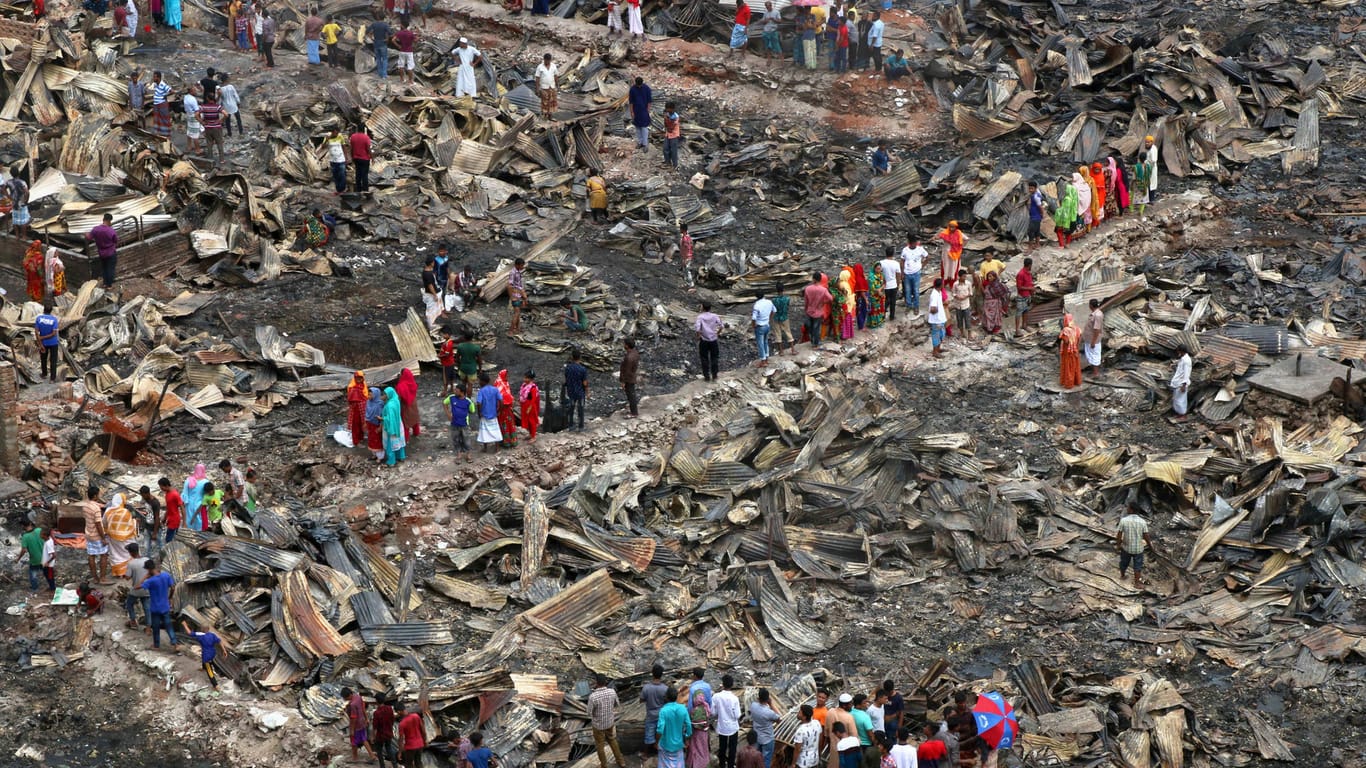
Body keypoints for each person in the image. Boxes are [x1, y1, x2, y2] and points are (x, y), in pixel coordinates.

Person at [587, 673, 627, 768]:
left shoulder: (593, 697)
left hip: (598, 726)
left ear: (596, 682)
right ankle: (621, 762)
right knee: (612, 740)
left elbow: (588, 712)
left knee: (600, 746)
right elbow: (617, 704)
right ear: (605, 682)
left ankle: (604, 765)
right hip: (609, 723)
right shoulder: (612, 692)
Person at [140, 560, 177, 649]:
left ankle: (156, 645)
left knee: (156, 627)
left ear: (148, 569)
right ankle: (175, 644)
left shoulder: (150, 581)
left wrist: (145, 577)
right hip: (165, 606)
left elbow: (138, 586)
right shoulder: (166, 575)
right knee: (169, 626)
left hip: (155, 608)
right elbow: (173, 587)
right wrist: (170, 597)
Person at [103, 493, 138, 578]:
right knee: (127, 553)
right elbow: (130, 524)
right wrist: (135, 521)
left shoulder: (108, 511)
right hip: (126, 537)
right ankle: (129, 572)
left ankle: (119, 573)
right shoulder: (125, 512)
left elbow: (104, 523)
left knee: (116, 555)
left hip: (113, 537)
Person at [657, 687, 693, 768]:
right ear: (677, 697)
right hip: (678, 744)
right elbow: (688, 725)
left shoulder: (663, 710)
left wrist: (657, 743)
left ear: (666, 697)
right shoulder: (683, 709)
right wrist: (687, 739)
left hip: (665, 744)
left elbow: (660, 730)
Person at [82, 485, 110, 584]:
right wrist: (103, 538)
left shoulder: (85, 505)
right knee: (104, 555)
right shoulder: (96, 508)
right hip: (97, 535)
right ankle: (102, 578)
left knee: (91, 556)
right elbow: (98, 524)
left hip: (88, 534)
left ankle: (95, 578)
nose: (99, 496)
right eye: (98, 494)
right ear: (95, 496)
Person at [1117, 506, 1152, 587]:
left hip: (1126, 547)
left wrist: (1118, 545)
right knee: (1138, 566)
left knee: (1124, 562)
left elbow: (1119, 534)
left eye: (1128, 508)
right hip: (1138, 548)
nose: (1127, 509)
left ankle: (1122, 576)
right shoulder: (1142, 522)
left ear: (1132, 510)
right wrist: (1150, 546)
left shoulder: (1124, 520)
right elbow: (1146, 535)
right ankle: (1137, 583)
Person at [640, 664, 669, 758]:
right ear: (661, 675)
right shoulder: (665, 688)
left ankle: (645, 754)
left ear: (652, 674)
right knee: (661, 733)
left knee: (648, 734)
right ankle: (660, 752)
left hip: (650, 715)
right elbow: (667, 701)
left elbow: (641, 700)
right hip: (662, 714)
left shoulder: (646, 687)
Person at [182, 622, 222, 688]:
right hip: (213, 652)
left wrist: (185, 625)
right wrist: (224, 650)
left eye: (201, 628)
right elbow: (220, 641)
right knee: (205, 659)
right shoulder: (212, 634)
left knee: (209, 670)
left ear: (202, 629)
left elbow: (189, 633)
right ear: (208, 629)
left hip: (206, 655)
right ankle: (203, 668)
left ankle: (215, 685)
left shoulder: (200, 634)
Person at [713, 674, 741, 768]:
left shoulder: (716, 696)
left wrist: (719, 713)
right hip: (733, 727)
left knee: (722, 747)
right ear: (732, 685)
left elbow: (713, 712)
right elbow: (737, 715)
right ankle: (730, 765)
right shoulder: (734, 698)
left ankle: (722, 764)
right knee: (732, 748)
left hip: (722, 727)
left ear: (723, 684)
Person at [750, 688, 781, 768]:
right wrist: (771, 704)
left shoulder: (753, 706)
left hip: (757, 737)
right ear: (767, 699)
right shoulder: (769, 713)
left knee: (757, 759)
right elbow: (779, 718)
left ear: (758, 698)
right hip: (767, 739)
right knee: (766, 761)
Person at [86, 213, 119, 289]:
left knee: (104, 268)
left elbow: (89, 237)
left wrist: (86, 234)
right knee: (110, 269)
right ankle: (109, 285)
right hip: (111, 253)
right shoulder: (111, 231)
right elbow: (115, 240)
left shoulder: (95, 229)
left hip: (101, 253)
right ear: (109, 221)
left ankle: (104, 283)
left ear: (103, 219)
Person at [343, 688, 375, 761]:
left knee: (353, 741)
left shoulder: (352, 705)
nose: (345, 699)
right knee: (364, 739)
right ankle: (372, 755)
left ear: (349, 695)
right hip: (362, 723)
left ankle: (355, 757)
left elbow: (353, 718)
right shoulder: (358, 697)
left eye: (345, 698)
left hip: (356, 726)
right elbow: (363, 708)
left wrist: (351, 730)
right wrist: (366, 718)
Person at [803, 271, 831, 348]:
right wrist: (823, 302)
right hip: (818, 311)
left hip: (809, 310)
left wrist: (806, 309)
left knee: (811, 327)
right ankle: (816, 342)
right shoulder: (823, 290)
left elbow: (806, 301)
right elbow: (830, 298)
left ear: (813, 279)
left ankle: (812, 340)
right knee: (816, 327)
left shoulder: (807, 289)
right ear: (820, 279)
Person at [476, 371, 503, 451]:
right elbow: (501, 401)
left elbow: (479, 403)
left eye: (480, 380)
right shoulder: (495, 389)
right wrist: (499, 410)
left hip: (484, 414)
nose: (479, 382)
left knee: (484, 431)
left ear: (483, 381)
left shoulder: (481, 391)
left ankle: (485, 448)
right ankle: (497, 447)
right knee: (496, 430)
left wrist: (479, 413)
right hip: (493, 414)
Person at [695, 301, 722, 382]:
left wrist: (698, 336)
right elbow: (721, 326)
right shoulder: (715, 316)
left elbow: (697, 328)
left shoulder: (700, 317)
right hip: (713, 339)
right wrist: (717, 333)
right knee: (714, 357)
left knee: (704, 358)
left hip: (704, 340)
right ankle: (714, 375)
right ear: (710, 308)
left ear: (702, 307)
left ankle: (706, 376)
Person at [15, 521, 45, 593]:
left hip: (35, 559)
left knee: (33, 574)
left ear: (23, 526)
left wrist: (18, 558)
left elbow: (24, 550)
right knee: (44, 569)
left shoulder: (25, 537)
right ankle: (50, 584)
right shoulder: (39, 530)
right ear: (30, 524)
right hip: (45, 556)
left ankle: (35, 588)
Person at [34, 301, 60, 383]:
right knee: (53, 360)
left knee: (43, 359)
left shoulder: (39, 319)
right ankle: (52, 379)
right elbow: (54, 333)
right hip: (53, 343)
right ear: (51, 310)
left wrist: (40, 342)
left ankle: (44, 374)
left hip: (43, 343)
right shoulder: (54, 320)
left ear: (43, 310)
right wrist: (44, 337)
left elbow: (36, 332)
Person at [564, 350, 589, 431]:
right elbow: (585, 383)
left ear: (572, 357)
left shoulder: (568, 368)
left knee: (571, 408)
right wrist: (587, 392)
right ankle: (581, 427)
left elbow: (566, 379)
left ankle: (570, 425)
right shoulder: (582, 369)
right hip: (580, 392)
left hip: (571, 391)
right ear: (580, 357)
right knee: (581, 409)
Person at [686, 690, 712, 768]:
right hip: (705, 732)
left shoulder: (694, 710)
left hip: (696, 733)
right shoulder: (706, 707)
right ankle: (705, 764)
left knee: (696, 748)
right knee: (703, 748)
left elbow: (693, 723)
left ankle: (696, 764)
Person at [382, 386, 407, 465]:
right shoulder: (396, 400)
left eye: (385, 394)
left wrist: (382, 419)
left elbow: (390, 419)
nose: (383, 396)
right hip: (398, 424)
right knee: (399, 441)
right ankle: (401, 456)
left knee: (391, 444)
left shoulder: (389, 405)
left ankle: (391, 461)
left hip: (392, 426)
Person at [936, 221, 965, 288]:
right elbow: (938, 236)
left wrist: (960, 248)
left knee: (953, 268)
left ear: (956, 227)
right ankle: (944, 282)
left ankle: (952, 284)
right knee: (945, 267)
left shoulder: (959, 233)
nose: (951, 228)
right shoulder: (945, 232)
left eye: (953, 227)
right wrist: (934, 237)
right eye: (950, 226)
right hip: (946, 254)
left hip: (955, 254)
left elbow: (966, 239)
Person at [900, 235, 925, 313]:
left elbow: (928, 257)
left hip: (916, 273)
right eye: (911, 243)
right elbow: (902, 261)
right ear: (909, 243)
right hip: (907, 273)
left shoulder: (920, 249)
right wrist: (902, 272)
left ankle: (916, 306)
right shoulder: (905, 250)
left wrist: (922, 265)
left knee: (916, 291)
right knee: (907, 291)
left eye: (913, 243)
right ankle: (908, 305)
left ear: (916, 243)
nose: (912, 245)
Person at [850, 694, 875, 767]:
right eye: (864, 703)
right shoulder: (865, 716)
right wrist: (875, 744)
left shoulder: (849, 713)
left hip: (854, 744)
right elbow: (870, 734)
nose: (866, 704)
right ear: (858, 705)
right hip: (866, 745)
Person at [372, 696, 398, 768]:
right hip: (388, 732)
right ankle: (394, 764)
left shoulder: (377, 712)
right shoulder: (389, 708)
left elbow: (375, 726)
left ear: (377, 701)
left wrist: (373, 737)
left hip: (380, 735)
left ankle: (382, 766)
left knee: (379, 750)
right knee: (389, 748)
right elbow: (392, 719)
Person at [751, 291, 776, 367]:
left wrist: (753, 325)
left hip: (760, 326)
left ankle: (763, 361)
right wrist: (769, 318)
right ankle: (767, 358)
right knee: (765, 342)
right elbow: (774, 311)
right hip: (767, 325)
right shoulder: (769, 302)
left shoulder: (756, 305)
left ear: (756, 297)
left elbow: (753, 318)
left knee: (760, 344)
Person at [1058, 313, 1082, 389]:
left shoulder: (1065, 330)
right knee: (1075, 366)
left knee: (1068, 367)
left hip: (1068, 352)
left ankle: (1069, 384)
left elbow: (1066, 341)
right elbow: (1080, 338)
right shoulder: (1077, 329)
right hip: (1075, 350)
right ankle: (1077, 381)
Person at [981, 271, 1008, 335]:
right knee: (988, 316)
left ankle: (994, 329)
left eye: (991, 276)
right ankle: (988, 328)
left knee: (994, 316)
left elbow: (1004, 292)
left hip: (995, 303)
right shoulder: (988, 285)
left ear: (994, 277)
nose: (989, 278)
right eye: (988, 276)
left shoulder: (997, 285)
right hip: (987, 303)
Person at [770, 283, 795, 355]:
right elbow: (787, 307)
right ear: (783, 289)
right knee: (788, 332)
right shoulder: (787, 298)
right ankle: (793, 350)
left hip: (776, 317)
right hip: (784, 317)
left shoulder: (774, 300)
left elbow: (773, 309)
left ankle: (781, 351)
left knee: (778, 333)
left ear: (776, 290)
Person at [1054, 177, 1079, 246]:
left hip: (1065, 220)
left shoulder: (1067, 199)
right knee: (1069, 232)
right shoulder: (1075, 199)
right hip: (1073, 218)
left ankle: (1061, 244)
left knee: (1058, 231)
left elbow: (1065, 212)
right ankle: (1067, 243)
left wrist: (1058, 210)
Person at [495, 369, 518, 448]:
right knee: (506, 424)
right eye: (506, 375)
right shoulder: (499, 383)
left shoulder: (504, 383)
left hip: (506, 409)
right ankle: (508, 442)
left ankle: (509, 441)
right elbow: (499, 397)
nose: (507, 377)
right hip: (503, 408)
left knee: (507, 424)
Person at [365, 11, 391, 80]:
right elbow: (390, 32)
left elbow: (367, 31)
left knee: (378, 59)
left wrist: (371, 36)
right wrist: (387, 38)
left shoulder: (374, 24)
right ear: (383, 17)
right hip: (383, 43)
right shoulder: (385, 25)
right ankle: (384, 75)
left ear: (377, 17)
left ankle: (380, 73)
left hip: (376, 42)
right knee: (385, 59)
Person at [396, 367, 420, 439]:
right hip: (413, 403)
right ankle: (416, 432)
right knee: (415, 419)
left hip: (405, 405)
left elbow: (399, 397)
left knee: (405, 423)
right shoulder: (413, 383)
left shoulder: (401, 385)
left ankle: (406, 438)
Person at [877, 247, 900, 322]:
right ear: (893, 254)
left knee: (885, 301)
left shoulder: (881, 263)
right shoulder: (896, 263)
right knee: (893, 301)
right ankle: (892, 316)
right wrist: (898, 284)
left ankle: (882, 316)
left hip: (885, 285)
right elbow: (898, 275)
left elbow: (878, 273)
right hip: (893, 285)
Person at [629, 77, 653, 148]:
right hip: (636, 110)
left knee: (644, 127)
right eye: (638, 85)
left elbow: (649, 101)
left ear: (642, 83)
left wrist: (648, 110)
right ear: (635, 83)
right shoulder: (632, 89)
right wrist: (632, 112)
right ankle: (640, 142)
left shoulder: (647, 89)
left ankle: (645, 144)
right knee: (637, 127)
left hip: (644, 111)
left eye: (640, 85)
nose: (639, 86)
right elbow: (631, 102)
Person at [619, 338, 640, 418]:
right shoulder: (635, 353)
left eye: (624, 344)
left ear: (627, 346)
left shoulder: (629, 357)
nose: (623, 345)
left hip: (629, 379)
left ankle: (634, 413)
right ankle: (633, 410)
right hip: (632, 376)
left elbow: (626, 371)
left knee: (631, 395)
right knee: (631, 394)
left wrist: (623, 381)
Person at [150, 71, 173, 140]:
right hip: (156, 104)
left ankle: (167, 134)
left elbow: (172, 91)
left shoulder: (163, 84)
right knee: (157, 119)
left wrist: (165, 96)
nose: (153, 78)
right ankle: (159, 133)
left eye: (155, 77)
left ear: (158, 78)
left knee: (164, 119)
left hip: (162, 104)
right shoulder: (155, 84)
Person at [1134, 140, 1154, 217]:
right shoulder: (1148, 166)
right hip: (1145, 183)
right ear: (1145, 158)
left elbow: (1134, 175)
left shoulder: (1136, 166)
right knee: (1144, 198)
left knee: (1136, 196)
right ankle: (1141, 211)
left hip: (1138, 183)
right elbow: (1150, 173)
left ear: (1139, 158)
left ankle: (1133, 209)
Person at [158, 477, 182, 542]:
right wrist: (165, 518)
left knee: (169, 539)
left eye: (161, 487)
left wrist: (184, 522)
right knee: (172, 538)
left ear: (165, 485)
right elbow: (168, 508)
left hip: (175, 520)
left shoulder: (175, 494)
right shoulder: (167, 494)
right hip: (170, 519)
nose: (161, 489)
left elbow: (182, 507)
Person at [1014, 257, 1035, 333]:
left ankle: (1024, 325)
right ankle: (1017, 329)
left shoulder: (1029, 273)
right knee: (1019, 312)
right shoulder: (1020, 274)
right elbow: (1019, 287)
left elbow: (1030, 283)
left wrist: (1031, 292)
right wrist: (1030, 288)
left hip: (1027, 295)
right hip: (1021, 296)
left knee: (1026, 310)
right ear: (1030, 265)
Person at [520, 371, 541, 443]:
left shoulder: (533, 388)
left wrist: (529, 408)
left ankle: (533, 436)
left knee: (532, 421)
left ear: (531, 379)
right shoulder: (524, 386)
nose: (524, 379)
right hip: (524, 405)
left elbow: (534, 399)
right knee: (527, 421)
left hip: (530, 407)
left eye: (526, 378)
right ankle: (530, 434)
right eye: (524, 377)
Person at [350, 126, 372, 196]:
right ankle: (365, 190)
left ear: (357, 129)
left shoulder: (353, 137)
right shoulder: (366, 137)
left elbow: (351, 148)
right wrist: (372, 157)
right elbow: (368, 149)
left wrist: (352, 156)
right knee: (364, 175)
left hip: (356, 158)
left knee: (358, 174)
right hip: (365, 159)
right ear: (364, 130)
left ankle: (358, 190)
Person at [1171, 345, 1192, 419]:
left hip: (1181, 384)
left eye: (1178, 351)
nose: (1177, 352)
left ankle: (1183, 414)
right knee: (1177, 400)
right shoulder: (1183, 359)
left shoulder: (1186, 361)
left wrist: (1184, 385)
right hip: (1178, 383)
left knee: (1181, 400)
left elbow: (1187, 374)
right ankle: (1179, 414)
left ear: (1181, 351)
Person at [927, 278, 946, 357]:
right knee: (936, 335)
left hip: (940, 318)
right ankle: (935, 352)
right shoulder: (934, 294)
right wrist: (937, 309)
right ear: (941, 285)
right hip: (936, 320)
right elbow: (932, 309)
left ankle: (938, 349)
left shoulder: (939, 292)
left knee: (941, 334)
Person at [1084, 298, 1104, 376]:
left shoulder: (1097, 315)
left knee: (1095, 356)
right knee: (1091, 355)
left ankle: (1096, 374)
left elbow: (1097, 329)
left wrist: (1093, 342)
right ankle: (1094, 372)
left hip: (1093, 340)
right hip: (1090, 339)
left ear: (1090, 305)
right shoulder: (1094, 313)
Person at [421, 257, 443, 328]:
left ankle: (434, 319)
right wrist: (434, 295)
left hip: (435, 290)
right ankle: (430, 324)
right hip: (431, 294)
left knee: (435, 307)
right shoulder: (428, 274)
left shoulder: (428, 271)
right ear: (431, 263)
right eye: (433, 262)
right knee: (430, 310)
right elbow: (430, 286)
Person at [535, 53, 558, 119]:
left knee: (552, 101)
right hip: (544, 87)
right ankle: (544, 115)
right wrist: (537, 88)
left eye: (548, 60)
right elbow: (537, 78)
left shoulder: (553, 66)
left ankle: (550, 115)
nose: (547, 62)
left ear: (550, 60)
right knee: (545, 101)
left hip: (552, 86)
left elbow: (555, 76)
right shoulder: (540, 67)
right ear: (544, 59)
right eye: (546, 60)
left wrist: (557, 85)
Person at [508, 257, 527, 335]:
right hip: (515, 296)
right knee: (516, 313)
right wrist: (512, 297)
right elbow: (509, 286)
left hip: (519, 295)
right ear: (517, 265)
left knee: (518, 313)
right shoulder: (513, 273)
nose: (523, 267)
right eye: (522, 265)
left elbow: (518, 285)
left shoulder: (518, 272)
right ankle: (511, 331)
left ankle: (517, 328)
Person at [183, 85, 203, 156]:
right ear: (191, 91)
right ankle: (198, 150)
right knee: (195, 134)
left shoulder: (186, 97)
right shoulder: (193, 99)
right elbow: (197, 111)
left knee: (189, 131)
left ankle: (189, 146)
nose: (196, 91)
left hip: (189, 115)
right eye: (194, 90)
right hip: (194, 116)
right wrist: (200, 120)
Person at [1026, 181, 1047, 246]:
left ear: (1035, 188)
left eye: (1032, 188)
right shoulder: (1037, 192)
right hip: (1036, 216)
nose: (1030, 190)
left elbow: (1040, 207)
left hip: (1035, 217)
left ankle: (1030, 248)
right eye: (1029, 188)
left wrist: (1042, 214)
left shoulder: (1035, 197)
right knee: (1037, 231)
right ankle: (1037, 244)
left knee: (1031, 232)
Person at [663, 102, 682, 169]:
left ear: (672, 109)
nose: (667, 110)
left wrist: (667, 119)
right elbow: (665, 125)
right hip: (668, 134)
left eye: (669, 109)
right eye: (667, 109)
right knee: (665, 148)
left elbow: (671, 128)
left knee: (673, 150)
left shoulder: (676, 117)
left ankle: (675, 164)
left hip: (674, 134)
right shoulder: (667, 114)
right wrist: (666, 119)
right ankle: (667, 162)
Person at [1142, 134, 1159, 202]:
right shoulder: (1150, 149)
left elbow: (1153, 160)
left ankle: (1151, 200)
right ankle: (1148, 199)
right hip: (1148, 168)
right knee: (1149, 183)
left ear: (1152, 142)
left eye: (1148, 142)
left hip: (1152, 169)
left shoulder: (1153, 149)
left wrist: (1146, 162)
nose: (1146, 143)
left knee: (1152, 184)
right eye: (1146, 142)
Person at [678, 223, 695, 288]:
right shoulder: (686, 237)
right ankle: (687, 283)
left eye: (680, 228)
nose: (679, 230)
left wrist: (686, 258)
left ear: (682, 229)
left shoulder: (685, 238)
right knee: (685, 270)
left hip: (687, 256)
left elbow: (687, 248)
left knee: (688, 271)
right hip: (686, 256)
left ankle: (691, 284)